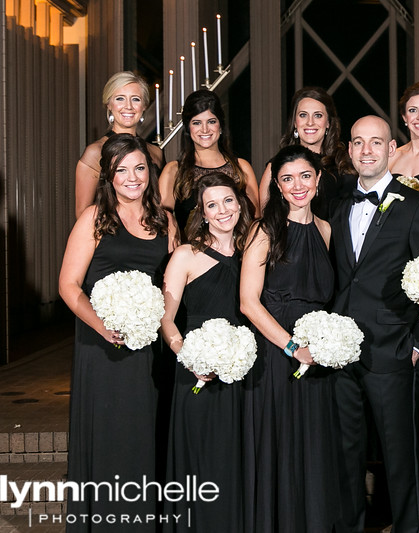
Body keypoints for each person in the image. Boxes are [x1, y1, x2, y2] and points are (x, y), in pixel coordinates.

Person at [59, 134, 176, 531]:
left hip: (150, 352)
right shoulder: (94, 218)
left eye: (140, 168)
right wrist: (103, 326)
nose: (132, 177)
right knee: (109, 437)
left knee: (145, 439)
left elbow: (174, 288)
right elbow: (69, 285)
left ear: (150, 172)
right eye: (122, 170)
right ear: (109, 175)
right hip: (102, 350)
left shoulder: (166, 220)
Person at [331, 116, 419, 533]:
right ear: (349, 151)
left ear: (392, 148)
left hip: (394, 350)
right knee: (346, 457)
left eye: (375, 143)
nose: (366, 151)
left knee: (401, 460)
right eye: (358, 143)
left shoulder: (416, 205)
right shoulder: (338, 204)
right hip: (342, 353)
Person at [240, 145, 341, 532]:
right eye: (287, 179)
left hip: (316, 354)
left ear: (317, 180)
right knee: (278, 446)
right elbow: (249, 302)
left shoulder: (326, 230)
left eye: (304, 176)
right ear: (277, 187)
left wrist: (320, 346)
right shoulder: (264, 229)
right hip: (276, 352)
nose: (297, 185)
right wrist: (291, 347)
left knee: (313, 447)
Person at [160, 172, 254, 531]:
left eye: (228, 200)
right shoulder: (187, 254)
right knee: (202, 462)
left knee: (240, 460)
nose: (222, 210)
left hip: (245, 374)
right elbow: (166, 320)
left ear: (240, 203)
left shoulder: (254, 250)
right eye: (212, 205)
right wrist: (189, 357)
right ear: (202, 212)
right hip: (197, 374)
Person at [159, 90, 258, 238]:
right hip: (191, 256)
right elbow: (161, 223)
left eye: (211, 121)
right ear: (188, 128)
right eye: (197, 123)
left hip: (239, 255)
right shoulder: (174, 171)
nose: (205, 129)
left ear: (221, 125)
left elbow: (256, 222)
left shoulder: (241, 168)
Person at [75, 71, 165, 218]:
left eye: (135, 99)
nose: (128, 106)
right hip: (110, 236)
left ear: (144, 106)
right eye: (120, 99)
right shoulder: (95, 152)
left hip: (149, 234)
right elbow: (82, 213)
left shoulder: (156, 152)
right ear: (109, 104)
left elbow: (158, 204)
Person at [258, 87, 355, 219]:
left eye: (318, 115)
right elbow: (267, 220)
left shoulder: (346, 162)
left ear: (328, 123)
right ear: (294, 122)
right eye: (303, 115)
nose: (310, 122)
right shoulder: (276, 166)